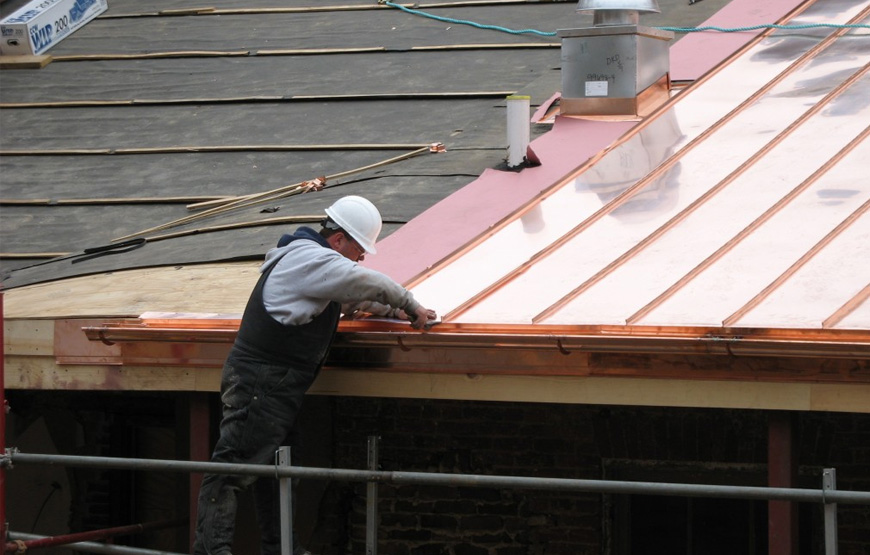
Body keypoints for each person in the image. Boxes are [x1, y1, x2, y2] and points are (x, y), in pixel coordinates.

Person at [193, 195, 437, 555]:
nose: (361, 257)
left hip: (274, 386)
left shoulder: (311, 264)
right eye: (358, 249)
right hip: (261, 382)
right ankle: (211, 550)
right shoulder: (310, 258)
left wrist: (391, 311)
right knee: (232, 470)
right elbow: (362, 280)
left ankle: (281, 547)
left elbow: (351, 296)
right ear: (338, 240)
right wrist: (408, 303)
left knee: (276, 468)